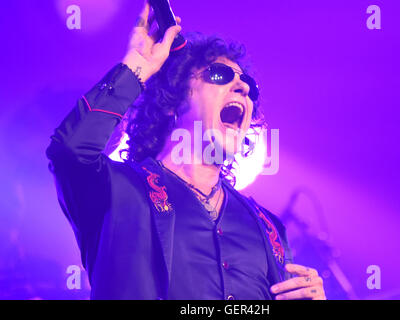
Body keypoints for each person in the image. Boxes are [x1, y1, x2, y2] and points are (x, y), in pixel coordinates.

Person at [46, 3, 325, 300]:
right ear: (172, 101)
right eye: (219, 75)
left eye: (249, 85)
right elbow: (71, 149)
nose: (243, 87)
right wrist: (136, 69)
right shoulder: (117, 192)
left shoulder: (270, 230)